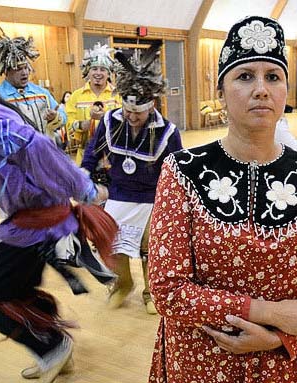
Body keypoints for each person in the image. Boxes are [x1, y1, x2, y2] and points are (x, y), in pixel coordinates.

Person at [0, 65, 115, 383]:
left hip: (34, 226)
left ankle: (52, 347)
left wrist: (84, 189)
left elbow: (40, 148)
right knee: (13, 289)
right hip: (31, 221)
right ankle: (54, 347)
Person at [148, 16, 297, 382]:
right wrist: (269, 312)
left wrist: (276, 339)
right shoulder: (183, 170)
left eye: (272, 77)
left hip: (281, 364)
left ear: (285, 92)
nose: (261, 89)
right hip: (199, 362)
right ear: (220, 91)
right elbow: (168, 290)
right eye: (245, 76)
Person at [82, 41, 183, 314]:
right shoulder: (111, 121)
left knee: (150, 243)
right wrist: (83, 173)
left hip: (152, 196)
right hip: (119, 193)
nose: (131, 116)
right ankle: (123, 284)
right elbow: (94, 150)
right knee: (113, 240)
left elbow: (178, 168)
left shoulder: (167, 132)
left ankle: (151, 293)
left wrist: (174, 202)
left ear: (151, 107)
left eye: (137, 113)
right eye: (127, 111)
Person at [0, 35, 66, 144]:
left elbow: (63, 115)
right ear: (6, 71)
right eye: (18, 69)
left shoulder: (41, 93)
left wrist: (55, 116)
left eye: (26, 67)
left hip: (45, 154)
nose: (24, 73)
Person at [66, 42, 121, 164]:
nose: (98, 73)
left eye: (103, 69)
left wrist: (105, 118)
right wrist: (83, 125)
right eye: (94, 69)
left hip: (114, 157)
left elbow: (126, 123)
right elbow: (67, 124)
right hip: (85, 156)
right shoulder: (76, 96)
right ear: (88, 72)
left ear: (109, 73)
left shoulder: (118, 95)